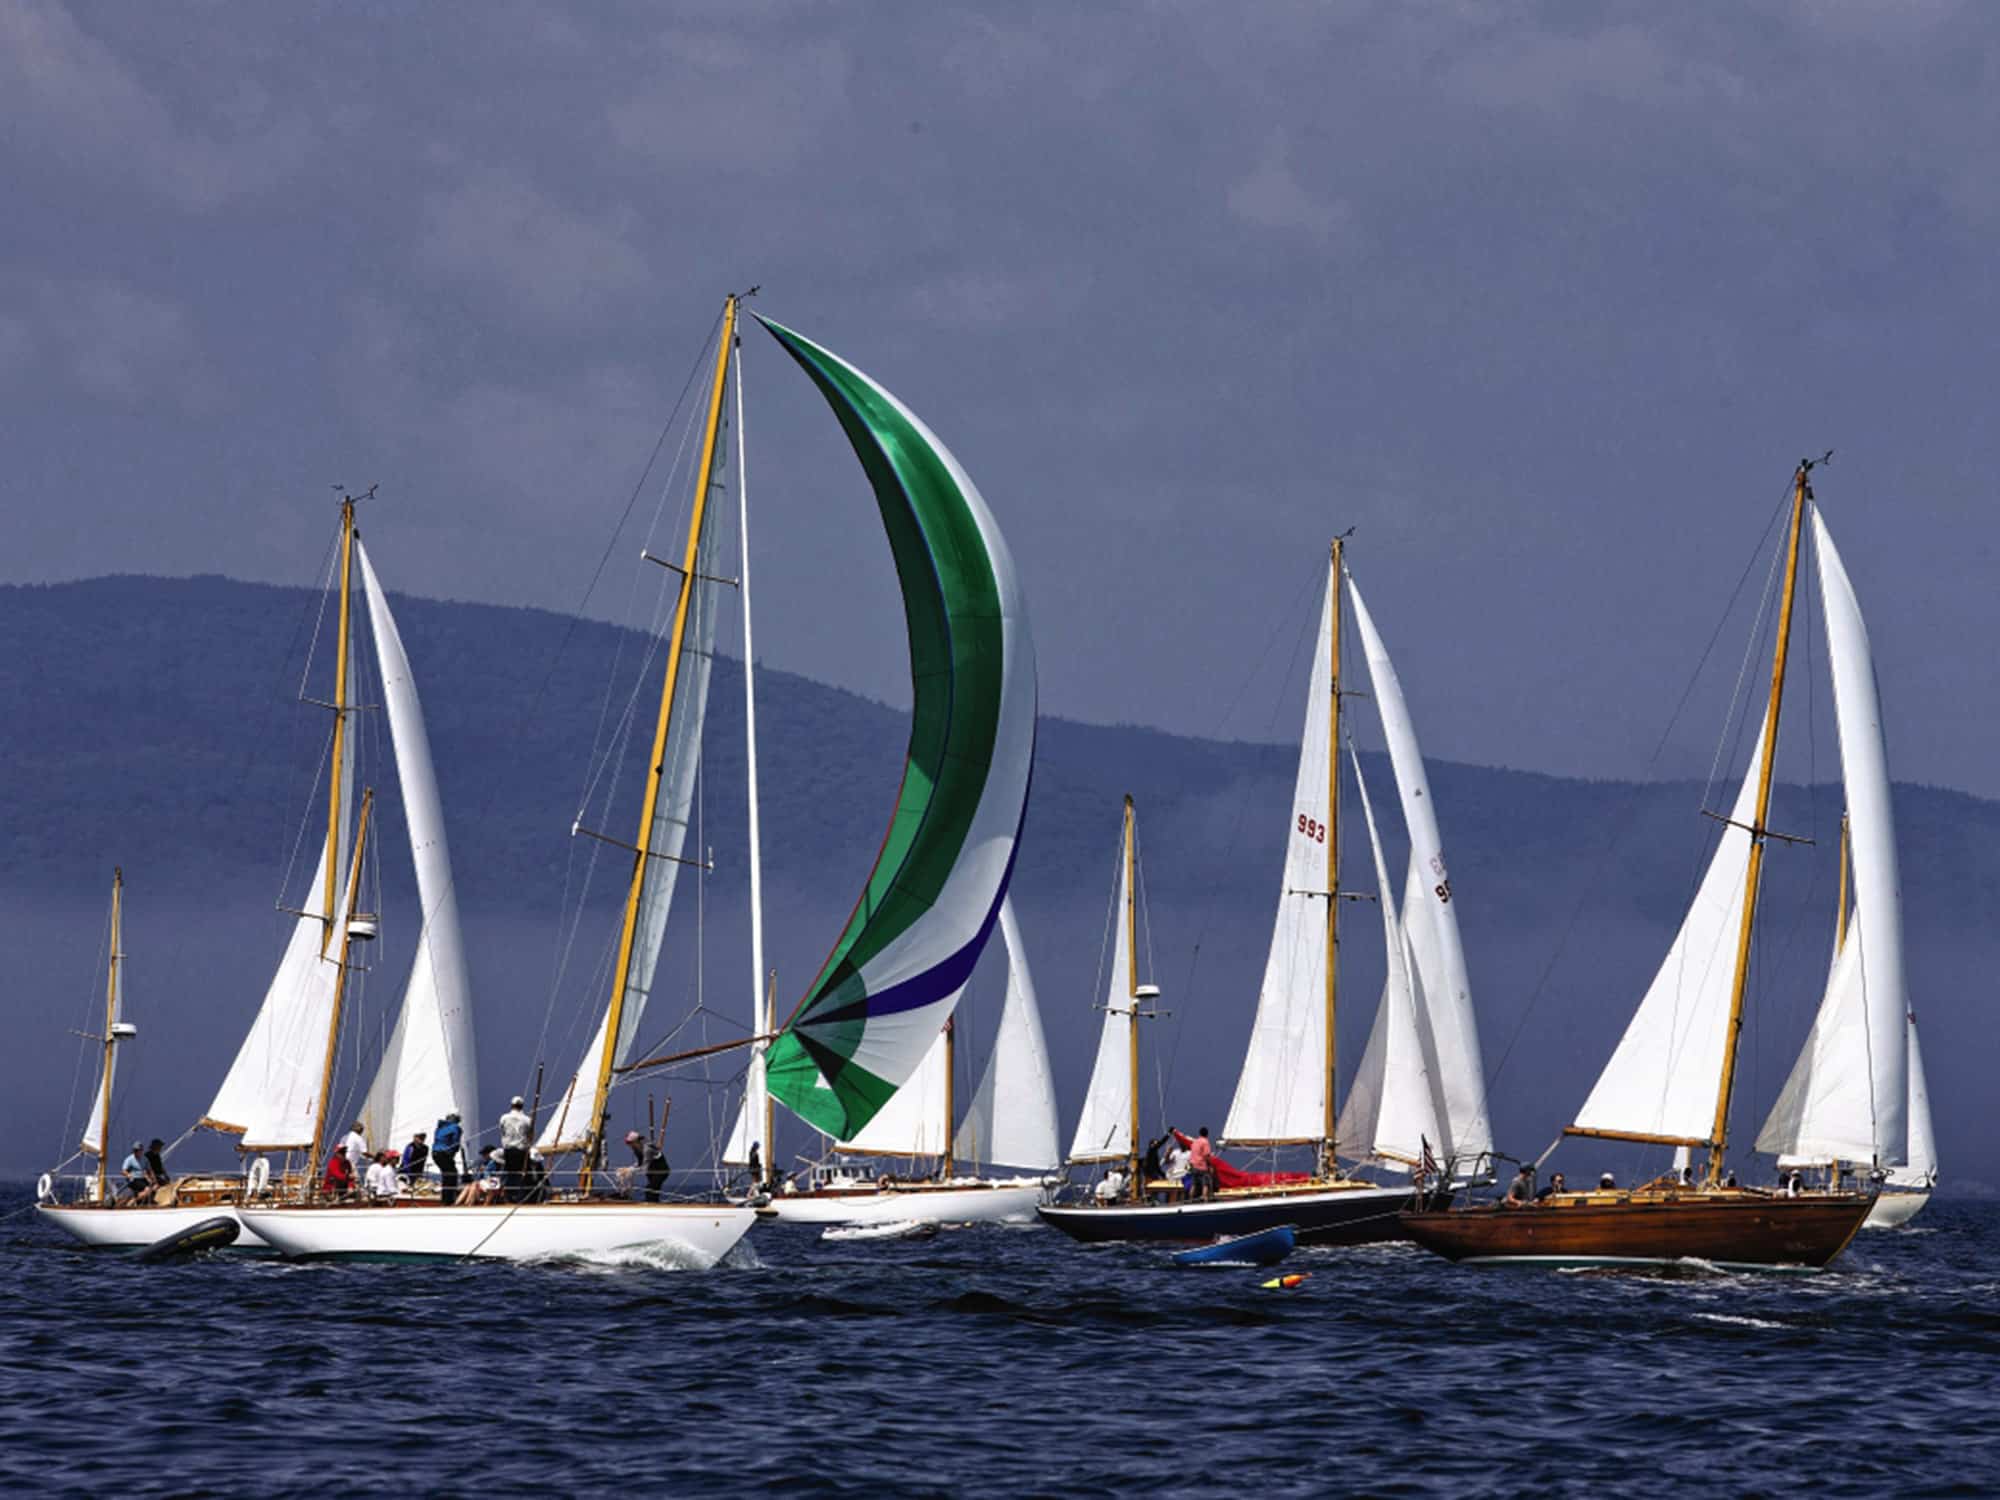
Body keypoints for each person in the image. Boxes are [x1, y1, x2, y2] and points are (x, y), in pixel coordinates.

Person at [498, 1096, 533, 1198]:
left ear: (512, 1105)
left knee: (509, 1173)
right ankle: (520, 1195)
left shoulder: (504, 1118)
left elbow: (502, 1131)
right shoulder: (527, 1119)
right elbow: (530, 1135)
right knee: (522, 1173)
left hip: (508, 1150)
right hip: (521, 1150)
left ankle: (508, 1195)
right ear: (522, 1106)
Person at [622, 1130, 670, 1203]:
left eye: (630, 1143)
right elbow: (640, 1163)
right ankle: (654, 1205)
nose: (629, 1145)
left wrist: (631, 1170)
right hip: (651, 1172)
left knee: (650, 1189)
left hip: (661, 1171)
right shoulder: (636, 1149)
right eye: (628, 1143)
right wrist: (628, 1168)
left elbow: (644, 1167)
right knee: (653, 1191)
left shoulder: (647, 1149)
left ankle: (652, 1206)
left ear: (636, 1141)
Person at [432, 1112, 464, 1203]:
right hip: (444, 1154)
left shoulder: (440, 1127)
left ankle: (445, 1199)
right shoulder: (456, 1128)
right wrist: (452, 1153)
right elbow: (455, 1142)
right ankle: (449, 1200)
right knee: (452, 1175)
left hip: (435, 1153)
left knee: (447, 1175)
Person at [1187, 1127, 1216, 1202]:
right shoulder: (1205, 1142)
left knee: (1194, 1184)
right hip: (1201, 1166)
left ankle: (1190, 1199)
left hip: (1193, 1166)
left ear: (1199, 1133)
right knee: (1205, 1183)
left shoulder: (1195, 1142)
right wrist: (1210, 1166)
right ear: (1207, 1134)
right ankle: (1204, 1198)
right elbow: (1206, 1155)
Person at [121, 1141, 153, 1205]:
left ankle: (142, 1201)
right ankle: (133, 1200)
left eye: (138, 1150)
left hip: (143, 1179)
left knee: (155, 1186)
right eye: (135, 1150)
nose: (136, 1152)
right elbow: (123, 1171)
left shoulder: (145, 1159)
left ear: (142, 1150)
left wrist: (151, 1178)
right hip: (134, 1179)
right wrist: (128, 1175)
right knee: (148, 1190)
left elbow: (149, 1170)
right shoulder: (129, 1159)